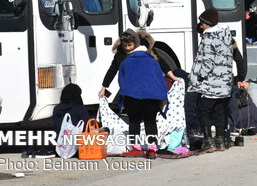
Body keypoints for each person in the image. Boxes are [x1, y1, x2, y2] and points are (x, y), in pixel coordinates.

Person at [116, 29, 169, 159]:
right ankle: (152, 149)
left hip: (132, 96)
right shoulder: (153, 61)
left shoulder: (126, 62)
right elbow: (159, 79)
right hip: (152, 96)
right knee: (150, 121)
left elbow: (121, 81)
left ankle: (136, 148)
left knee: (134, 121)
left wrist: (123, 96)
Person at [188, 8, 234, 153]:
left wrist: (200, 75)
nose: (200, 25)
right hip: (224, 83)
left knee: (204, 110)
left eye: (202, 23)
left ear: (207, 23)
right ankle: (220, 141)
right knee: (220, 111)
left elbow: (208, 61)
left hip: (211, 83)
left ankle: (208, 142)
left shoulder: (209, 37)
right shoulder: (226, 36)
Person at [99, 29, 180, 100]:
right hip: (130, 87)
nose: (127, 48)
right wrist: (104, 87)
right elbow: (112, 70)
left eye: (129, 45)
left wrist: (172, 77)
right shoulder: (120, 53)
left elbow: (160, 61)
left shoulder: (145, 48)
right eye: (125, 46)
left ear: (136, 43)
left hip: (147, 85)